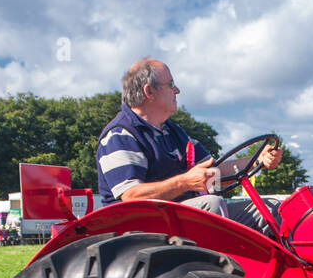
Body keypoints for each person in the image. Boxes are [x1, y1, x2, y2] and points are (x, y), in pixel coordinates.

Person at [95, 58, 282, 234]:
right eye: (170, 84)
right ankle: (218, 267)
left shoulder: (172, 131)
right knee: (212, 205)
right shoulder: (121, 135)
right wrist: (185, 182)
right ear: (149, 91)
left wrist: (258, 160)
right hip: (139, 225)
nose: (177, 90)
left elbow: (213, 172)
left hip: (176, 217)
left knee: (271, 208)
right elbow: (131, 196)